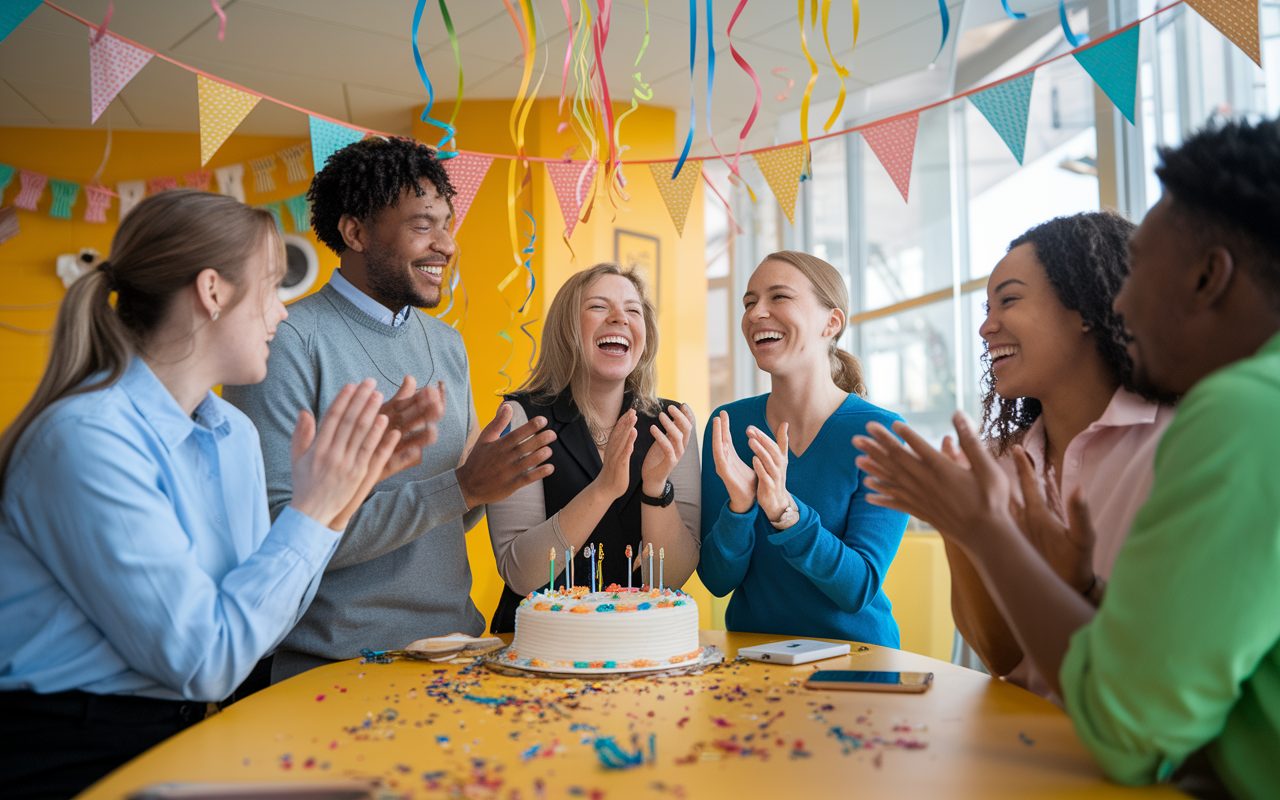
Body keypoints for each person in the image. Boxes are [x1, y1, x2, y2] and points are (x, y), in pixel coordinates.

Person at [854, 118, 1280, 799]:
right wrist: (1066, 585)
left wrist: (985, 531)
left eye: (1139, 268)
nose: (1124, 298)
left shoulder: (1236, 413)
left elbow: (1127, 729)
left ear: (1208, 276)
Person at [0, 190, 416, 800]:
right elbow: (206, 660)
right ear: (213, 291)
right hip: (72, 751)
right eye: (273, 287)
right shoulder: (85, 439)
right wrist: (312, 511)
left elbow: (255, 634)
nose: (282, 313)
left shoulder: (233, 433)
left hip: (190, 733)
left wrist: (344, 498)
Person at [223, 137, 557, 682]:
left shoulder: (448, 344)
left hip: (456, 650)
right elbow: (280, 533)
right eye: (423, 225)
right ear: (355, 232)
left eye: (447, 224)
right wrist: (463, 488)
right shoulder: (287, 340)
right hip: (334, 665)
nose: (446, 245)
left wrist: (486, 482)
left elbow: (447, 514)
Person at [949, 212, 1175, 700]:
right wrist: (957, 523)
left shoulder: (1180, 442)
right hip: (1026, 745)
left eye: (1008, 300)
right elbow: (1002, 657)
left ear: (1087, 308)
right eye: (986, 309)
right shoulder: (997, 466)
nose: (987, 328)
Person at [699, 250, 908, 646]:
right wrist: (739, 508)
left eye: (779, 297)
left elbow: (858, 588)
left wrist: (783, 511)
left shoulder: (884, 434)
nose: (756, 312)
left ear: (831, 322)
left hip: (857, 663)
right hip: (752, 663)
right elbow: (717, 580)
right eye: (749, 302)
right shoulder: (728, 426)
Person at [486, 263, 700, 632]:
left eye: (633, 310)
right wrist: (603, 490)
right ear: (567, 327)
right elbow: (521, 574)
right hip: (539, 649)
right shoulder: (520, 418)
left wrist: (655, 490)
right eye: (599, 306)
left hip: (640, 644)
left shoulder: (673, 423)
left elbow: (671, 579)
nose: (620, 318)